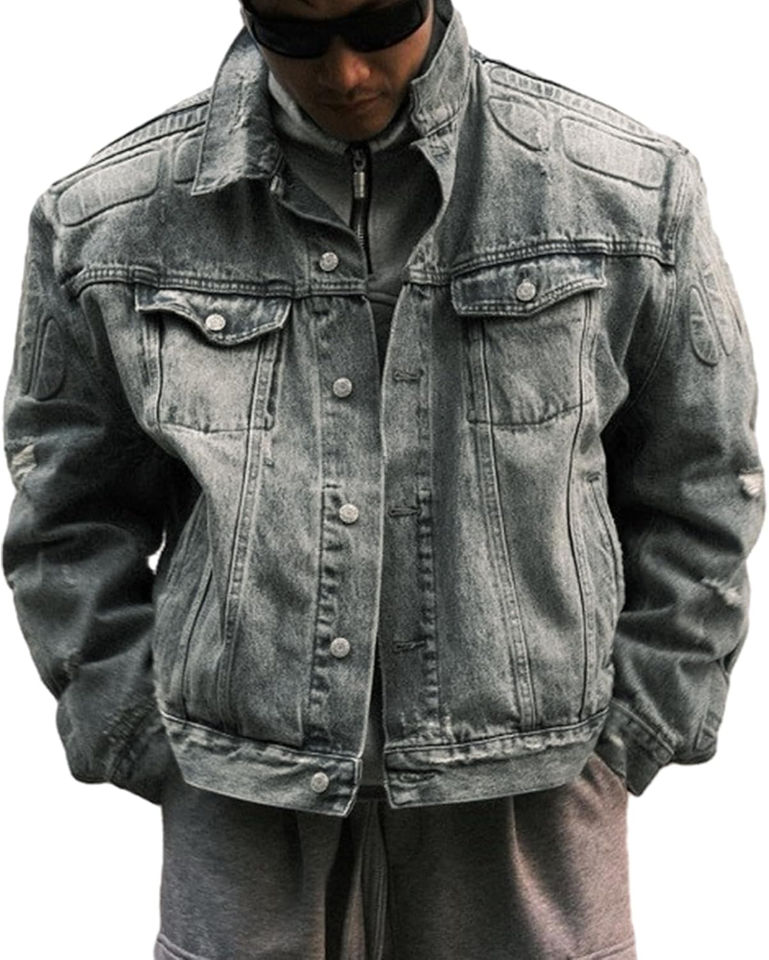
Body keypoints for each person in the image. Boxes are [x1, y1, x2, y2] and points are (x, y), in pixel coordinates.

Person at [3, 0, 764, 957]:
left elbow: (699, 479)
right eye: (294, 33)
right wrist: (132, 728)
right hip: (237, 796)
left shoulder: (624, 196)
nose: (345, 72)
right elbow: (67, 510)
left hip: (534, 788)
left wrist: (636, 730)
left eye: (375, 22)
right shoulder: (109, 222)